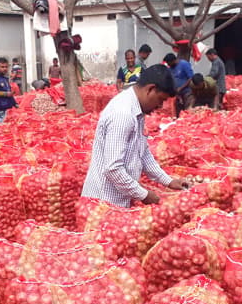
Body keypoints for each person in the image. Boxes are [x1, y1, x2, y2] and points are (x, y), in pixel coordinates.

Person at [81, 64, 190, 207]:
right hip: (103, 203)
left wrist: (168, 181)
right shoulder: (123, 114)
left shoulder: (137, 110)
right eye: (160, 99)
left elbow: (143, 153)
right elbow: (113, 168)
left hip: (116, 202)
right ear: (150, 89)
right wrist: (143, 195)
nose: (160, 106)